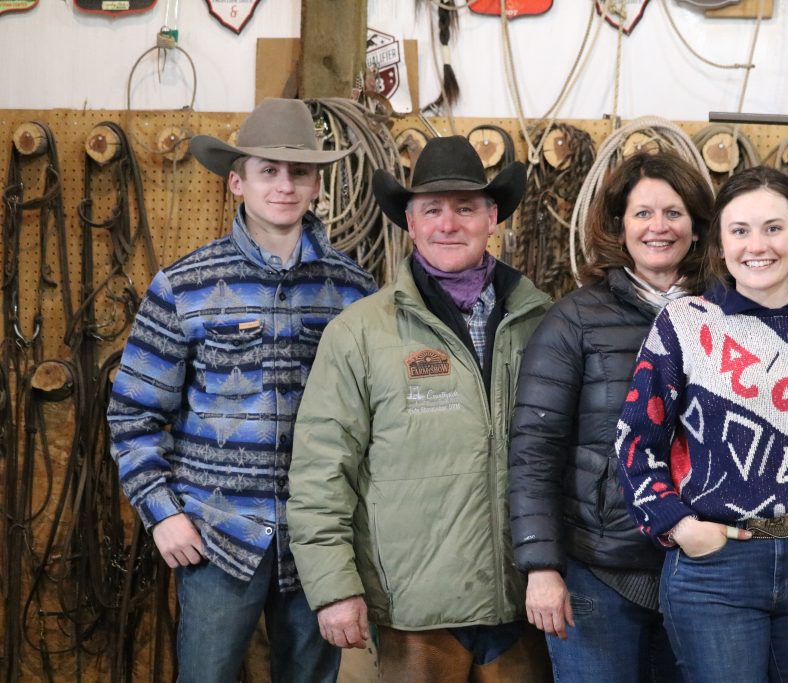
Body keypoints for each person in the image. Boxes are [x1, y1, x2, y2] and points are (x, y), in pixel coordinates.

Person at [106, 98, 376, 683]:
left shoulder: (354, 290)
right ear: (237, 182)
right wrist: (162, 514)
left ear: (316, 185)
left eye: (299, 172)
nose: (284, 185)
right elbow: (133, 415)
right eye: (268, 170)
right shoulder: (184, 286)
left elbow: (372, 421)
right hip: (216, 534)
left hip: (319, 542)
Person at [287, 135, 553, 682]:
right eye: (432, 210)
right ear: (411, 223)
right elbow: (320, 471)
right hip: (413, 611)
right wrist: (334, 589)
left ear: (492, 217)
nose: (448, 224)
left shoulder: (545, 323)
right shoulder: (359, 333)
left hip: (525, 603)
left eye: (465, 208)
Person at [615, 166, 788, 682]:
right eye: (739, 230)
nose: (757, 245)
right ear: (720, 244)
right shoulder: (685, 322)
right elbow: (635, 444)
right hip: (716, 571)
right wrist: (680, 527)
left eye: (773, 228)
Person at [508, 152, 713, 682]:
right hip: (600, 571)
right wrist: (541, 566)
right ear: (619, 226)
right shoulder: (574, 320)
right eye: (643, 213)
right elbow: (534, 449)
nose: (658, 227)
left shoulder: (730, 316)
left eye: (673, 213)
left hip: (708, 570)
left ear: (696, 226)